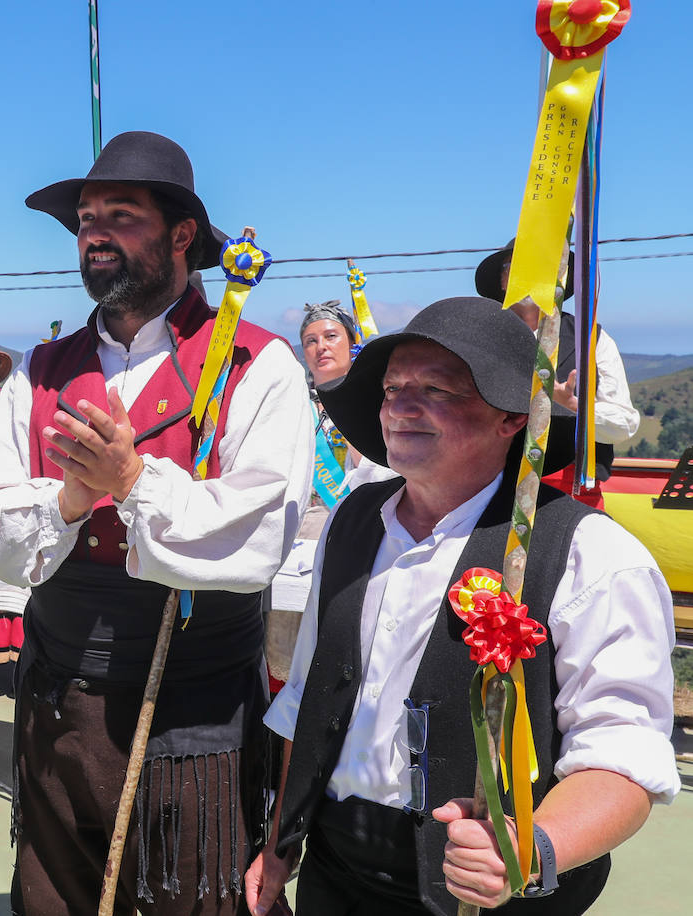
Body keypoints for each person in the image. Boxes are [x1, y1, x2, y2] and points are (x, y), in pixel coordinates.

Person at [0, 130, 314, 913]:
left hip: (194, 707)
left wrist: (129, 481)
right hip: (59, 700)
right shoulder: (41, 370)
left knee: (193, 899)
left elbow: (259, 531)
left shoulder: (256, 364)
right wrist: (69, 500)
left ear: (181, 235)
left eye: (120, 215)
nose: (95, 233)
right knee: (57, 899)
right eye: (86, 218)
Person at [249, 297, 679, 916]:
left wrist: (529, 849)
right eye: (392, 388)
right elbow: (308, 699)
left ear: (511, 418)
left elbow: (625, 758)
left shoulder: (590, 555)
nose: (400, 407)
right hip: (336, 874)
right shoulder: (350, 523)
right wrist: (280, 843)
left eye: (437, 390)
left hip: (485, 891)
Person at [268, 302, 398, 679]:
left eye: (330, 336)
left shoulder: (377, 405)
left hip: (355, 530)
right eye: (310, 340)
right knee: (285, 652)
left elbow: (383, 473)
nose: (320, 346)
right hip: (294, 538)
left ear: (352, 343)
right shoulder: (291, 405)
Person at [475, 239, 639, 505]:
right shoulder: (477, 338)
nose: (529, 275)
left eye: (541, 267)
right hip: (490, 489)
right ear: (503, 281)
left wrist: (575, 407)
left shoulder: (592, 338)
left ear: (558, 279)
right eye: (517, 266)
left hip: (572, 493)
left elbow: (623, 425)